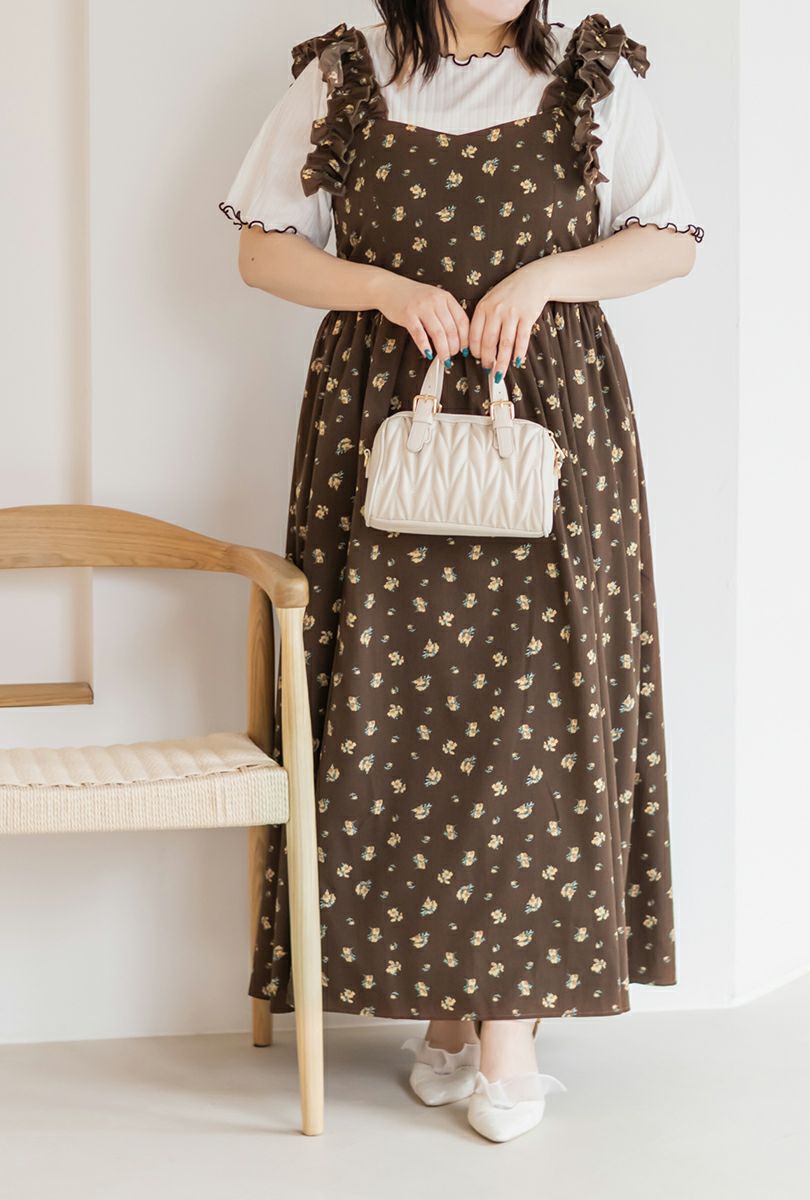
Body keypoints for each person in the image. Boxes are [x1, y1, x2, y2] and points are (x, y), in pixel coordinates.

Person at [219, 1, 703, 1142]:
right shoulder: (351, 76)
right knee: (402, 713)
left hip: (548, 427)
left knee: (537, 718)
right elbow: (262, 247)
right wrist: (385, 289)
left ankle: (508, 1033)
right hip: (383, 426)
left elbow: (670, 238)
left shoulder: (589, 76)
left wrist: (549, 277)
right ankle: (443, 1016)